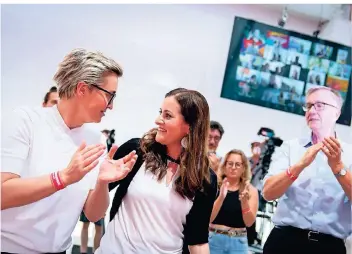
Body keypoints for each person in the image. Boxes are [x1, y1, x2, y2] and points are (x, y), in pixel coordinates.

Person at [1, 48, 137, 254]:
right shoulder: (26, 121)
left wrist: (102, 182)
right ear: (82, 89)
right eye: (110, 96)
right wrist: (62, 178)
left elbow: (93, 214)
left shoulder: (94, 139)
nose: (111, 106)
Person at [96, 88, 218, 254]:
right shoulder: (136, 151)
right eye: (160, 112)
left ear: (190, 126)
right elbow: (92, 208)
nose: (158, 120)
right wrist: (100, 181)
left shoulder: (204, 178)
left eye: (167, 115)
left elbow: (197, 241)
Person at [262, 86, 351, 254]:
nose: (311, 110)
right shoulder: (290, 148)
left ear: (336, 113)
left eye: (319, 105)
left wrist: (338, 168)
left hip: (328, 247)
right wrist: (299, 166)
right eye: (308, 106)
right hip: (284, 241)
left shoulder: (350, 155)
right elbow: (268, 193)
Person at [209, 149, 259, 254]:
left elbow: (249, 223)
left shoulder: (251, 190)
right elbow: (208, 218)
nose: (233, 167)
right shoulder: (214, 186)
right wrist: (221, 197)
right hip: (214, 240)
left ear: (243, 167)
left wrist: (244, 203)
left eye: (237, 164)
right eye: (230, 164)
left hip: (238, 242)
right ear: (224, 166)